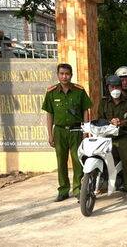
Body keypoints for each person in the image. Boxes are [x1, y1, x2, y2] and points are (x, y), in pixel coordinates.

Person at [42, 63, 92, 202]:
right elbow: (49, 114)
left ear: (71, 75)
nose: (64, 76)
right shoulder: (51, 92)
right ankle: (63, 190)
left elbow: (85, 111)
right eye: (62, 73)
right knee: (61, 161)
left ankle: (77, 189)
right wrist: (50, 134)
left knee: (77, 161)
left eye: (67, 74)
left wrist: (85, 131)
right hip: (59, 131)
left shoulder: (79, 91)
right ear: (58, 75)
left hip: (76, 130)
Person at [98, 75, 127, 204]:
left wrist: (122, 122)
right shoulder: (103, 102)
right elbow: (99, 118)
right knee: (95, 154)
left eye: (117, 86)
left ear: (121, 87)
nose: (115, 89)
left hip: (122, 136)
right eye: (112, 87)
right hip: (106, 137)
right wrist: (109, 121)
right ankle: (93, 185)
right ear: (108, 88)